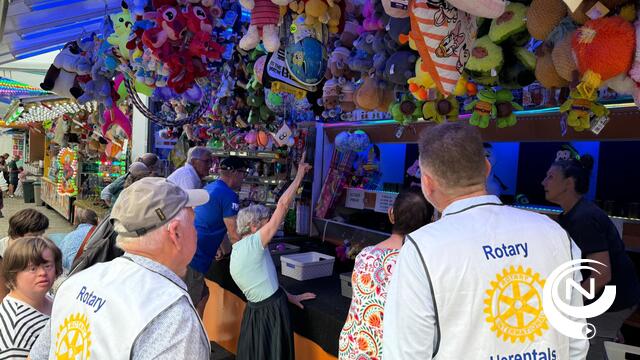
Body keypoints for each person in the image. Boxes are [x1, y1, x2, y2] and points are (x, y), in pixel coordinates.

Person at [383, 123, 589, 359]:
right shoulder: (555, 233)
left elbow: (404, 353)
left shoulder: (422, 248)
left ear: (427, 183)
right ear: (487, 168)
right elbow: (576, 342)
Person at [29, 177, 211, 359]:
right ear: (176, 233)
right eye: (193, 223)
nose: (196, 232)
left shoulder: (76, 283)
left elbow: (36, 356)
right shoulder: (171, 317)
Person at [542, 154, 640, 359]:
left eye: (550, 177)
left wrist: (570, 308)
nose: (543, 182)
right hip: (613, 298)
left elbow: (602, 274)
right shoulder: (572, 215)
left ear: (569, 183)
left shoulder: (584, 218)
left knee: (591, 350)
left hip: (614, 300)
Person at [230, 156, 315, 360]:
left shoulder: (240, 248)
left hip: (258, 311)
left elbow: (264, 282)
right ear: (253, 226)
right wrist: (300, 175)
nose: (271, 226)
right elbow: (283, 205)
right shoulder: (254, 244)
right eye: (265, 223)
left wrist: (290, 296)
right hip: (271, 311)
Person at [339, 189, 433, 359]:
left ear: (391, 214)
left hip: (353, 348)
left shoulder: (365, 255)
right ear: (431, 222)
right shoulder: (422, 265)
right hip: (389, 352)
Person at [187, 156, 247, 316]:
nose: (244, 177)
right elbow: (234, 235)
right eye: (243, 172)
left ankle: (197, 336)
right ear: (234, 172)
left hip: (187, 252)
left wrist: (222, 248)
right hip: (195, 259)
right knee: (188, 309)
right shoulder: (229, 195)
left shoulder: (210, 188)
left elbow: (212, 220)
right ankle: (192, 339)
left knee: (202, 296)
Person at [1, 236, 62, 358]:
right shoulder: (16, 329)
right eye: (32, 268)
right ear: (13, 273)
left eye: (47, 265)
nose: (42, 273)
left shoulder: (47, 296)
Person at [0, 209, 50, 301]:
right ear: (17, 234)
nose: (39, 240)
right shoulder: (2, 254)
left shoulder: (40, 249)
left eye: (41, 235)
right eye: (33, 236)